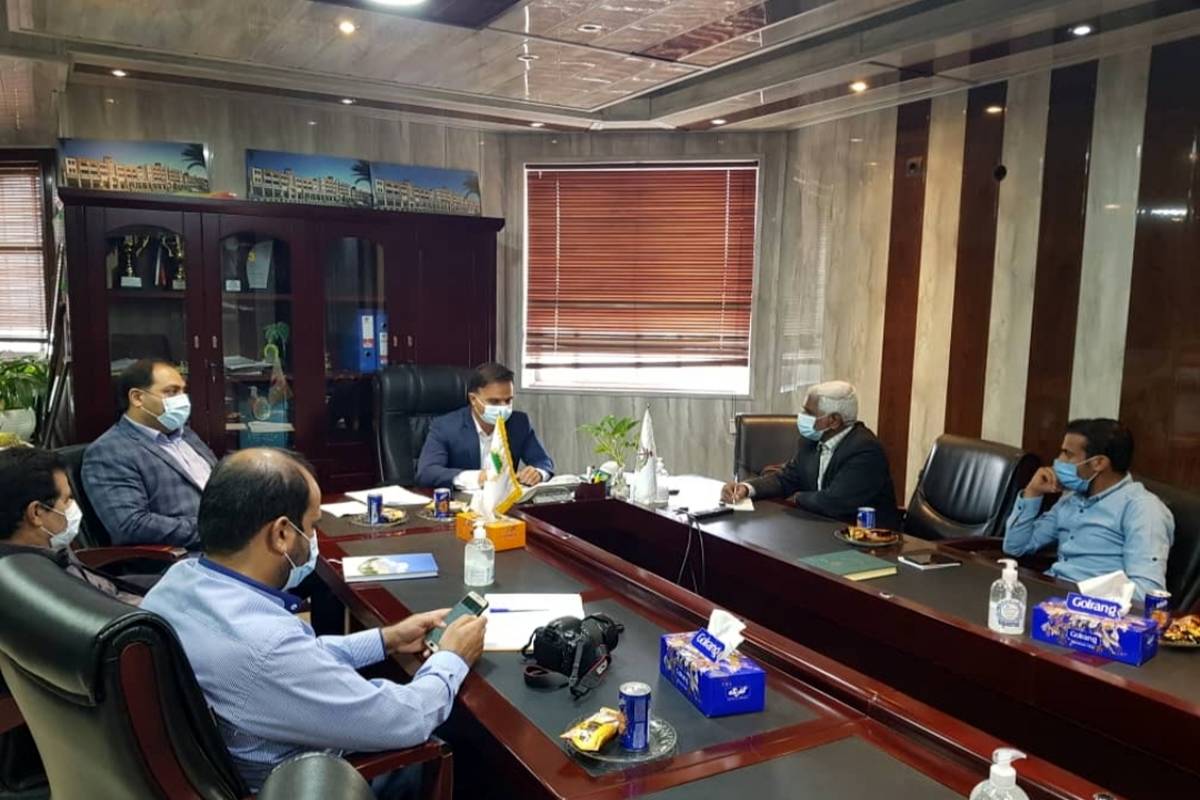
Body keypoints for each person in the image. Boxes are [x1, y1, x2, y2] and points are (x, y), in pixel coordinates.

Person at [140, 449, 486, 794]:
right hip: (305, 783)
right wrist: (451, 658)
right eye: (311, 526)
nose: (313, 537)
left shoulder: (177, 581)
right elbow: (408, 719)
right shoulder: (267, 646)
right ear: (281, 534)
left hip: (227, 757)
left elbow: (300, 657)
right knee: (464, 739)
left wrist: (387, 639)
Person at [1003, 418, 1174, 600]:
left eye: (1067, 454)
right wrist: (1033, 492)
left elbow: (1147, 592)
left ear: (1098, 463)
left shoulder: (1143, 509)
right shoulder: (1071, 498)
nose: (1058, 461)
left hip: (1092, 606)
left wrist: (1084, 598)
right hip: (1052, 593)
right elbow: (1016, 547)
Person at [721, 380, 900, 529]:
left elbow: (833, 502)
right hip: (821, 529)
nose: (801, 416)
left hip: (866, 541)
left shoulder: (865, 450)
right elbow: (786, 478)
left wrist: (796, 498)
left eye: (809, 413)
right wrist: (746, 488)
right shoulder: (810, 442)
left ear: (834, 420)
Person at [82, 359, 216, 548]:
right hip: (188, 554)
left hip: (235, 543)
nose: (182, 400)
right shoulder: (109, 451)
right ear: (137, 398)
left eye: (183, 391)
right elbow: (132, 525)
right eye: (171, 392)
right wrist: (217, 530)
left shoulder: (186, 435)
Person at [0, 447, 142, 604]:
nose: (73, 506)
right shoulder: (38, 587)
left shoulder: (50, 545)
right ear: (36, 513)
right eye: (67, 499)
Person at [416, 362, 554, 490]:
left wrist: (538, 473)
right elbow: (426, 472)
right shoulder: (445, 426)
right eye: (494, 401)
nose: (503, 407)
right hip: (463, 504)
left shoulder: (519, 422)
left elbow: (543, 461)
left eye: (508, 400)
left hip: (505, 503)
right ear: (473, 399)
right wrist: (478, 478)